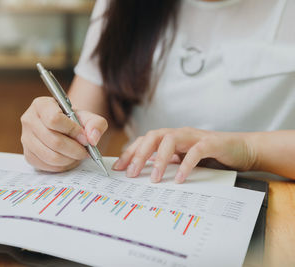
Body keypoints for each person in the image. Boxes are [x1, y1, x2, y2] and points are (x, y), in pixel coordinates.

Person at [21, 0, 295, 183]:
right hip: (149, 192)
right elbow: (79, 122)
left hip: (272, 204)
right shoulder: (122, 7)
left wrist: (249, 150)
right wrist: (53, 139)